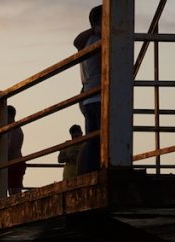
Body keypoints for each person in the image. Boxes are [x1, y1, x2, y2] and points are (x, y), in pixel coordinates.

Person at [74, 5, 102, 175]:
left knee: (92, 139)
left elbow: (76, 41)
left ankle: (87, 172)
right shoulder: (100, 40)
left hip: (87, 97)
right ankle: (95, 170)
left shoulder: (86, 41)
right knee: (101, 138)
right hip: (98, 95)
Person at [5, 105, 26, 196]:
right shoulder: (12, 129)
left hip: (14, 162)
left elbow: (11, 147)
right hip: (13, 162)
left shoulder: (14, 129)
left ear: (9, 115)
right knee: (12, 190)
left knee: (14, 192)